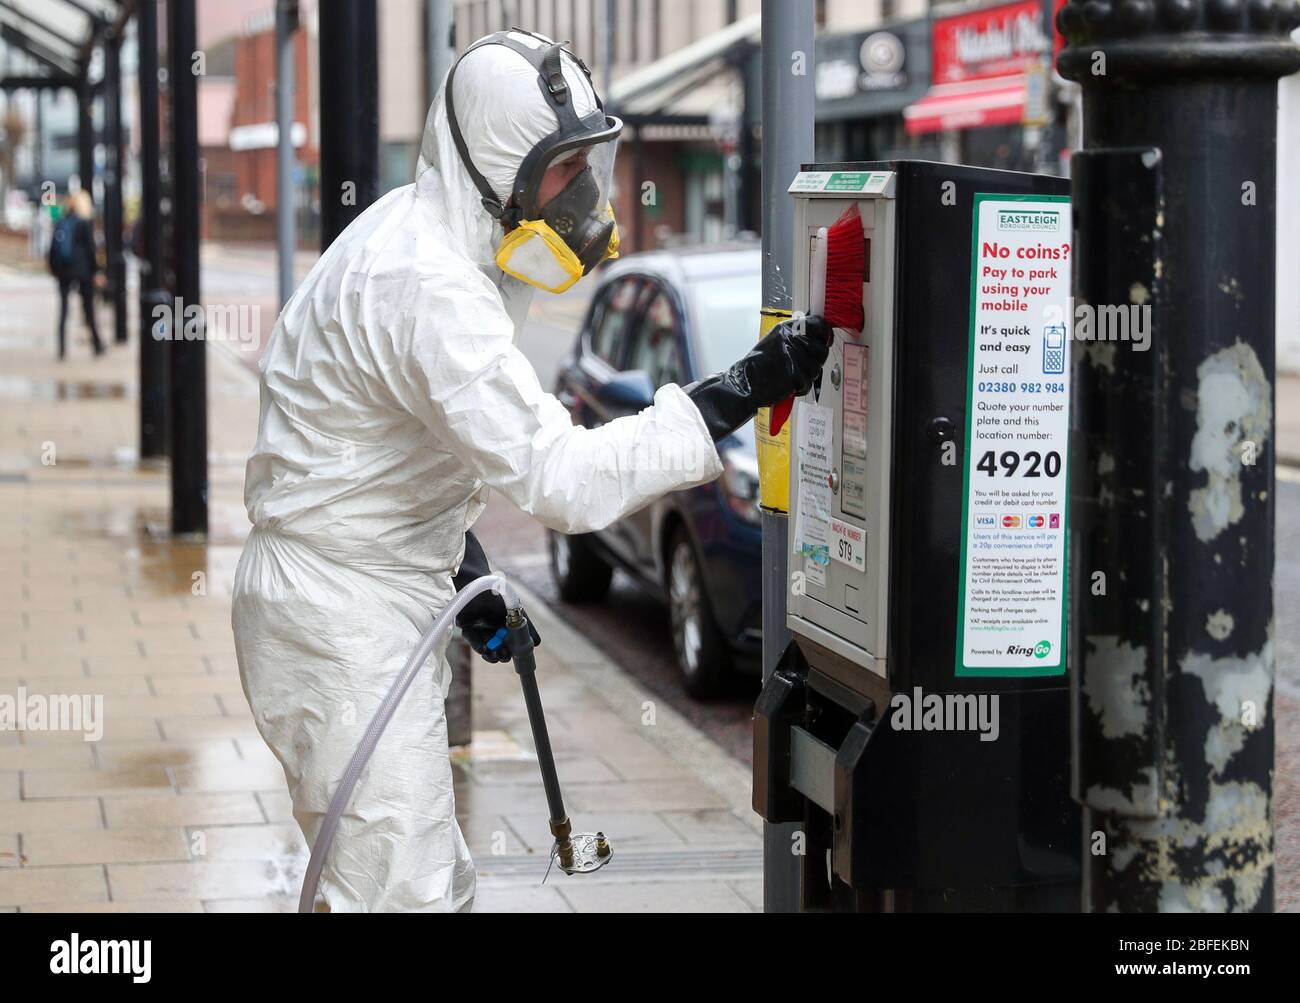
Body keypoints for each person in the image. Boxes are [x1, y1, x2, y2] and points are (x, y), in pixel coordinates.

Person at [231, 29, 829, 913]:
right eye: (563, 167)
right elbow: (564, 478)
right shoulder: (429, 284)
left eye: (589, 161)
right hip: (338, 620)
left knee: (414, 881)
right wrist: (738, 391)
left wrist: (457, 558)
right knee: (408, 896)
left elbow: (366, 440)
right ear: (499, 166)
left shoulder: (421, 233)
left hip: (354, 596)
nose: (584, 190)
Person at [47, 190, 105, 359]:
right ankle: (97, 344)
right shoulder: (84, 223)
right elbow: (90, 250)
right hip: (83, 271)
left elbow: (52, 249)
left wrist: (54, 270)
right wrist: (96, 271)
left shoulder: (61, 222)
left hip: (63, 271)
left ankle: (62, 348)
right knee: (89, 308)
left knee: (64, 310)